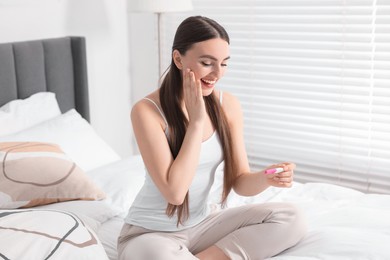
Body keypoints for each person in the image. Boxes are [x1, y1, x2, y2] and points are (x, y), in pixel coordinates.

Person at [118, 15, 306, 260]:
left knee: (292, 218)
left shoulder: (227, 104)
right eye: (207, 63)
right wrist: (196, 122)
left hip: (203, 224)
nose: (217, 73)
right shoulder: (147, 111)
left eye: (224, 63)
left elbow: (239, 181)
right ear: (178, 58)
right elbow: (174, 193)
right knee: (155, 254)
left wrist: (267, 178)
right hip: (150, 234)